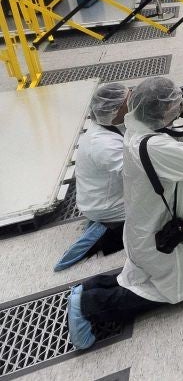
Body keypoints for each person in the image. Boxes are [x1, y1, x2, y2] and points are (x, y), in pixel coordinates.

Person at [68, 77, 183, 350]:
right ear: (161, 111)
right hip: (158, 232)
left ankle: (93, 286)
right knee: (169, 288)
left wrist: (180, 118)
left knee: (144, 275)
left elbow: (170, 146)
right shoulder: (153, 146)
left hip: (144, 226)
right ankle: (90, 304)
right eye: (173, 105)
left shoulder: (134, 130)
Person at [54, 83, 130, 271]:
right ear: (115, 110)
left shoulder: (105, 127)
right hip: (107, 207)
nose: (133, 103)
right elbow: (139, 174)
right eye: (129, 101)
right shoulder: (103, 143)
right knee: (163, 205)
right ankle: (104, 229)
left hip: (101, 196)